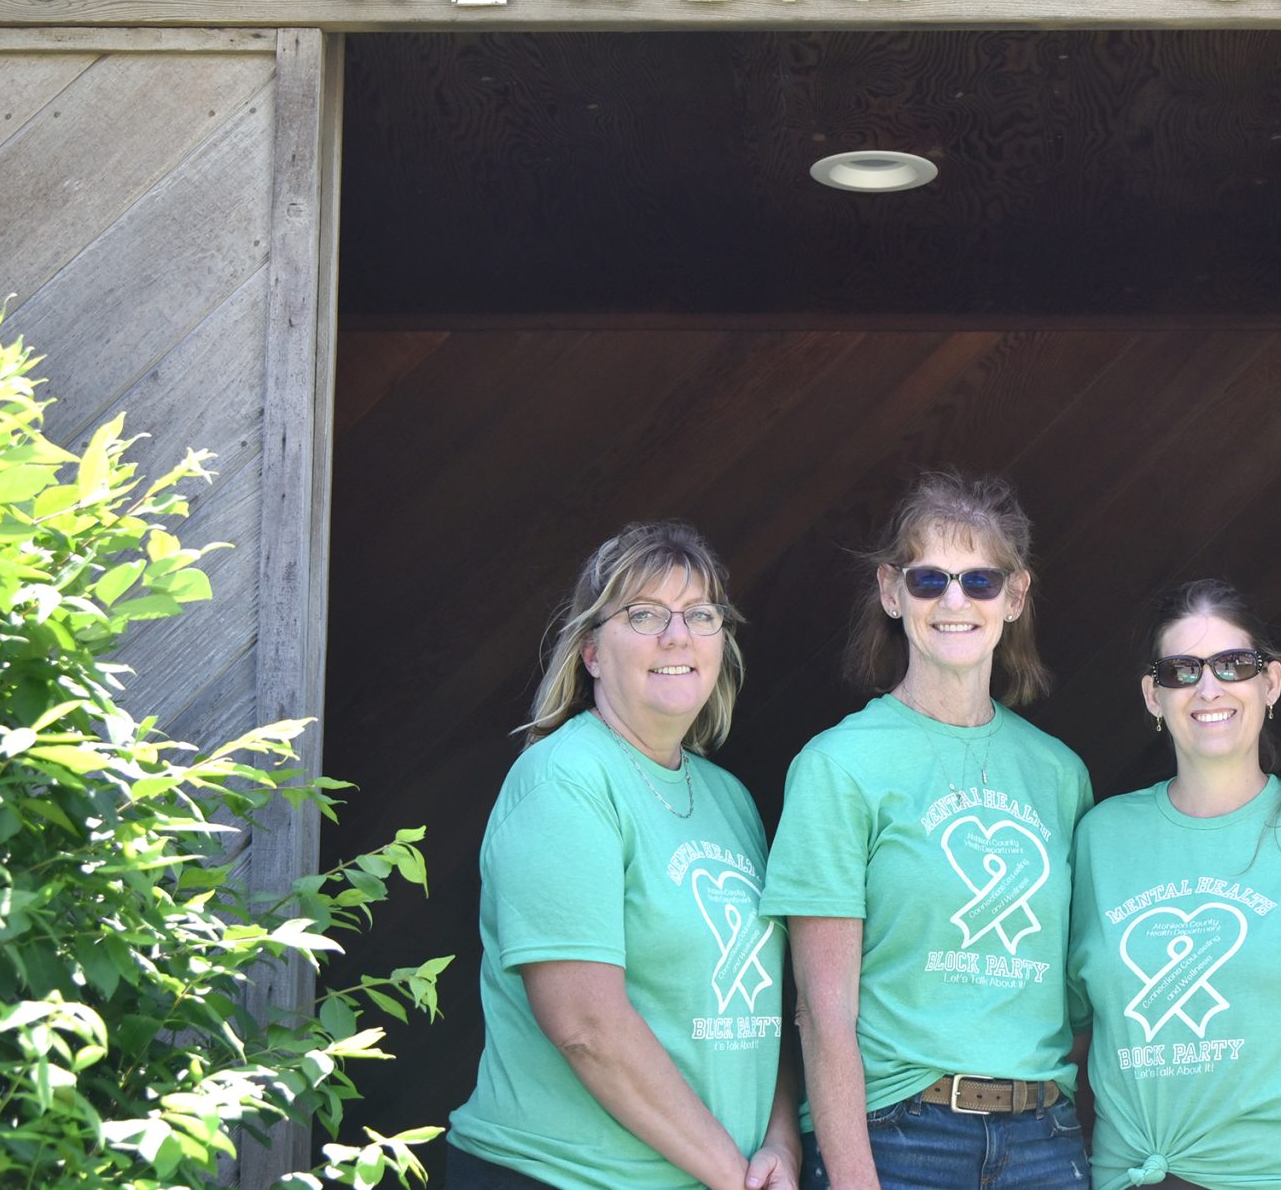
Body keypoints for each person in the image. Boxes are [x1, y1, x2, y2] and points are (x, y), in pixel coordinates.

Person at [760, 471, 1093, 1190]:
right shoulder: (837, 765)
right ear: (890, 590)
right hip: (901, 1137)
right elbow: (822, 1013)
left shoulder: (1059, 775)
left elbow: (1080, 990)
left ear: (1015, 596)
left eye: (979, 580)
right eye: (928, 578)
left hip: (1044, 1138)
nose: (953, 600)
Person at [447, 521, 799, 1190]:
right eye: (644, 614)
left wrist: (782, 1141)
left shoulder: (730, 800)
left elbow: (763, 1007)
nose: (677, 636)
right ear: (591, 652)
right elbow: (586, 1024)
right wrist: (734, 1174)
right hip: (563, 1176)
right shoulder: (565, 780)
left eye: (700, 614)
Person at [1069, 579, 1281, 1190]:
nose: (1209, 689)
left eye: (1233, 665)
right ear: (1154, 697)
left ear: (1271, 683)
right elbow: (1074, 1034)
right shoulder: (1100, 839)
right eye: (1182, 671)